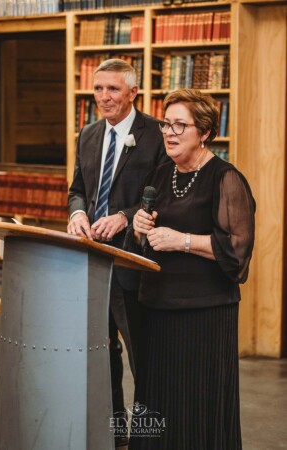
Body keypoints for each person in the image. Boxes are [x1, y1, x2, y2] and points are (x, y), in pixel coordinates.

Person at [126, 88, 255, 450]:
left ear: (205, 133)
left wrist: (183, 240)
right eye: (167, 123)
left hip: (204, 314)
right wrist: (141, 229)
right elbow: (150, 240)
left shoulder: (226, 178)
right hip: (157, 308)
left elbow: (238, 251)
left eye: (180, 125)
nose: (169, 132)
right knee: (158, 406)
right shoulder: (162, 172)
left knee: (197, 407)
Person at [67, 59, 167, 447]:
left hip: (134, 265)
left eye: (112, 89)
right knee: (101, 353)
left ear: (133, 93)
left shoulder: (158, 136)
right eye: (98, 89)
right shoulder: (88, 134)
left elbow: (162, 200)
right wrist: (77, 212)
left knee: (142, 356)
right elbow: (78, 188)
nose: (103, 97)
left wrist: (124, 217)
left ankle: (151, 436)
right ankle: (115, 432)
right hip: (91, 262)